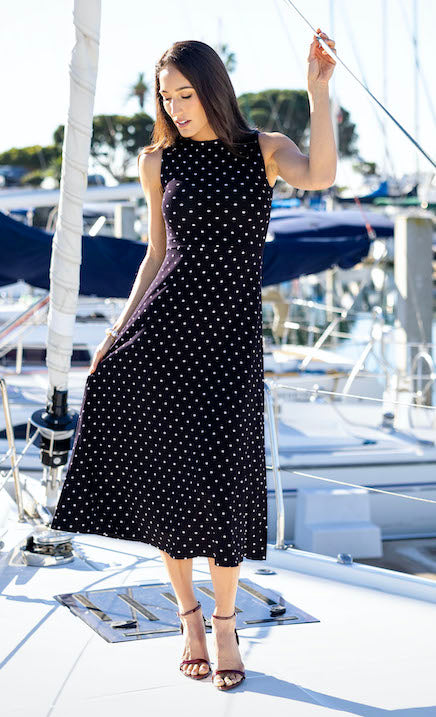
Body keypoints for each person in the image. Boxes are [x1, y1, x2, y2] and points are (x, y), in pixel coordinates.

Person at [51, 31, 336, 691]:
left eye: (186, 93)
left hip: (229, 342)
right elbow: (156, 254)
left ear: (213, 87)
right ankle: (189, 619)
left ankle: (228, 621)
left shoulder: (262, 150)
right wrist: (117, 330)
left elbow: (320, 176)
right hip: (162, 336)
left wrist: (319, 96)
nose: (177, 107)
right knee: (168, 482)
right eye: (166, 96)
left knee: (227, 482)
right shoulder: (159, 161)